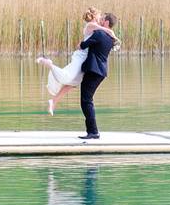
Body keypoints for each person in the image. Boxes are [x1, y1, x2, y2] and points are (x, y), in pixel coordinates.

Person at [37, 8, 118, 115]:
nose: (100, 19)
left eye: (102, 18)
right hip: (81, 57)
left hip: (86, 60)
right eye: (100, 16)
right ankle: (49, 64)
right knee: (67, 77)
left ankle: (54, 101)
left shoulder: (97, 30)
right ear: (94, 17)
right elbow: (103, 31)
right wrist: (112, 33)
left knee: (73, 83)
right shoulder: (91, 25)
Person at [76, 12, 117, 140]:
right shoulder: (110, 38)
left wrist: (82, 42)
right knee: (87, 100)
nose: (100, 20)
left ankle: (93, 132)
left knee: (86, 101)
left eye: (102, 19)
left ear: (106, 22)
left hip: (93, 71)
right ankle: (92, 131)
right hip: (100, 72)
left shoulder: (99, 34)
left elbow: (82, 46)